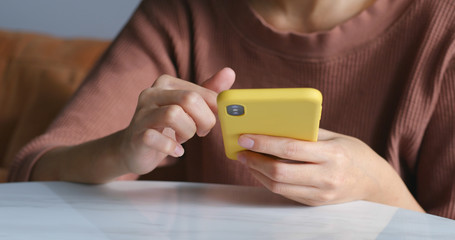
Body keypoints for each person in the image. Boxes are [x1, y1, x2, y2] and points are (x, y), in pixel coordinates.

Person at [8, 0, 455, 219]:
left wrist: (377, 186)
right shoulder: (181, 11)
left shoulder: (442, 28)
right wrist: (123, 152)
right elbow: (34, 172)